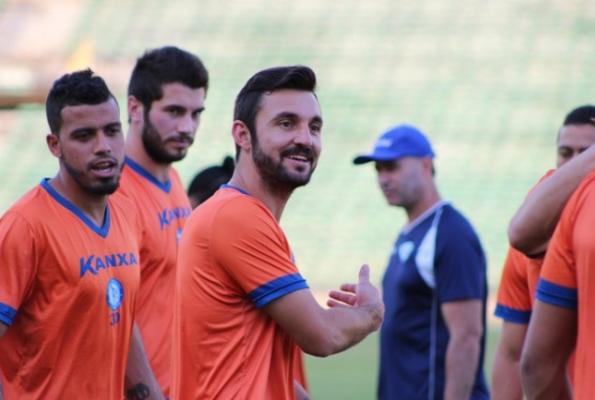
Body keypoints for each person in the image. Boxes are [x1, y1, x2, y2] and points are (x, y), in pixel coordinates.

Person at [172, 65, 384, 400]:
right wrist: (370, 313)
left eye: (314, 127)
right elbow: (322, 335)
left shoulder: (243, 215)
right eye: (286, 123)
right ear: (242, 135)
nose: (305, 138)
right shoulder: (236, 217)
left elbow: (254, 364)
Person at [0, 69, 161, 399]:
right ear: (54, 145)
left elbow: (121, 319)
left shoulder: (126, 213)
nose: (103, 147)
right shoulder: (24, 226)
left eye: (112, 131)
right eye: (84, 135)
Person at [353, 124, 489, 400]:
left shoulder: (451, 234)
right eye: (378, 169)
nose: (383, 178)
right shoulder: (412, 232)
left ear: (426, 165)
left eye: (392, 166)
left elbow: (467, 336)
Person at [112, 46, 208, 397]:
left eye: (196, 114)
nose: (187, 127)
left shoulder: (174, 182)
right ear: (135, 108)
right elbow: (114, 313)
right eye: (174, 111)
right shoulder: (115, 193)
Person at [492, 105, 595, 399]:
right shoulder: (532, 235)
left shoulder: (585, 207)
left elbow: (535, 365)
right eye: (566, 154)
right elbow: (513, 353)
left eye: (586, 153)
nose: (575, 165)